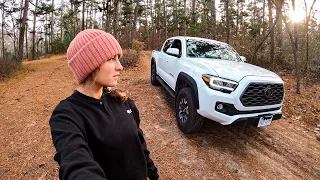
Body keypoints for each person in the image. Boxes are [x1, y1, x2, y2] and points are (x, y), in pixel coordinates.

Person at [49, 29, 159, 180]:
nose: (120, 66)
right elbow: (75, 164)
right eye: (111, 59)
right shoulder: (66, 116)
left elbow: (139, 145)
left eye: (118, 58)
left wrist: (152, 173)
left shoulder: (124, 102)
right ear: (90, 64)